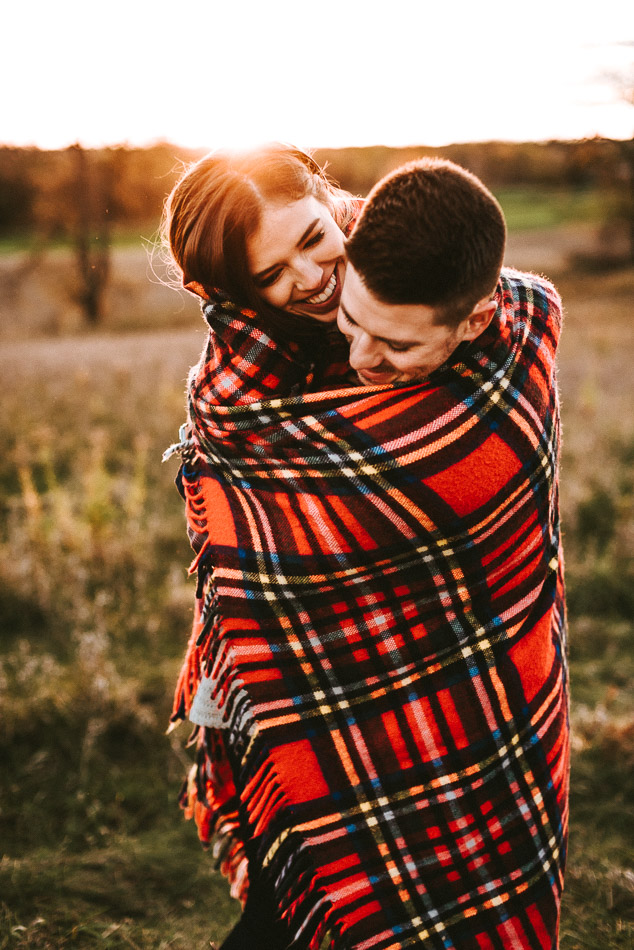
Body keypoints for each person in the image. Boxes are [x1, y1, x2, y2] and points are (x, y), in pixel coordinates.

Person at [165, 151, 569, 950]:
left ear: (326, 198)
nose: (311, 279)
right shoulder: (236, 401)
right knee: (300, 913)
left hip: (481, 682)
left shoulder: (466, 299)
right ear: (235, 293)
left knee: (477, 890)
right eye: (271, 275)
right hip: (308, 697)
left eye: (313, 240)